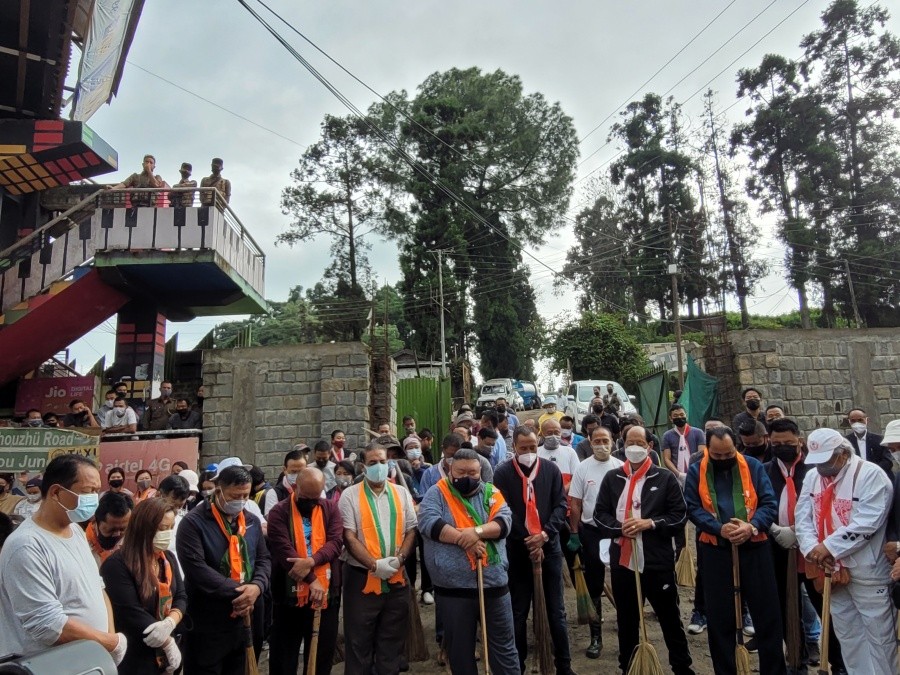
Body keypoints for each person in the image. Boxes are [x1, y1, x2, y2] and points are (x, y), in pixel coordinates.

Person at [0, 454, 127, 664]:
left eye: (97, 491)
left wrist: (110, 639)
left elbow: (98, 588)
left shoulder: (75, 531)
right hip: (51, 665)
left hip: (89, 660)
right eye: (88, 492)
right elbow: (48, 626)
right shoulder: (26, 545)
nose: (94, 499)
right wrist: (110, 643)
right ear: (56, 492)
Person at [685, 426, 785, 675]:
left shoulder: (752, 466)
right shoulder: (696, 470)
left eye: (728, 454)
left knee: (768, 615)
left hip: (755, 546)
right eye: (717, 456)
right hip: (715, 549)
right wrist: (720, 529)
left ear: (736, 448)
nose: (723, 459)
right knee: (720, 618)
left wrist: (751, 527)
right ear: (708, 450)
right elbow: (693, 508)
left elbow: (769, 503)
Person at [795, 427, 896, 675]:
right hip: (828, 568)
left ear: (842, 454)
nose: (821, 467)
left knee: (880, 636)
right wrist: (812, 550)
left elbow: (868, 522)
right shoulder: (812, 477)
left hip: (867, 569)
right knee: (848, 634)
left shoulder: (871, 475)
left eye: (826, 461)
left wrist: (828, 547)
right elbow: (803, 517)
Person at [595, 426, 695, 675]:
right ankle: (628, 666)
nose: (635, 447)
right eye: (630, 442)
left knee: (669, 617)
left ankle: (682, 667)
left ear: (650, 446)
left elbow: (679, 515)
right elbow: (600, 514)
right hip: (624, 562)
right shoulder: (613, 478)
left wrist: (650, 523)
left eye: (640, 442)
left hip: (656, 560)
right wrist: (620, 529)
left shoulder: (664, 478)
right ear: (623, 444)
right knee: (627, 620)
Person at [418, 448, 519, 674]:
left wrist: (476, 531)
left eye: (472, 473)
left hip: (494, 584)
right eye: (461, 472)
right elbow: (429, 523)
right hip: (452, 588)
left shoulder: (491, 492)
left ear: (480, 472)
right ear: (450, 470)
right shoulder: (437, 493)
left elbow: (503, 523)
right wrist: (466, 540)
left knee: (504, 648)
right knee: (460, 652)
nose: (467, 477)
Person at [764, 418, 845, 674]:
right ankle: (796, 658)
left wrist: (801, 533)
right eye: (776, 443)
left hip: (816, 550)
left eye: (787, 442)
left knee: (826, 607)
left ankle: (836, 661)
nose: (782, 447)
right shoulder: (764, 470)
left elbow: (823, 506)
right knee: (786, 606)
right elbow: (757, 504)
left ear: (799, 440)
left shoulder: (815, 470)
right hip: (779, 548)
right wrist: (773, 528)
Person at [493, 427, 574, 675]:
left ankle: (564, 665)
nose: (528, 452)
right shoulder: (503, 473)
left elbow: (561, 504)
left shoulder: (550, 470)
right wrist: (528, 538)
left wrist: (545, 535)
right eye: (522, 448)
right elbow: (502, 509)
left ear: (537, 444)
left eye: (531, 447)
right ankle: (518, 665)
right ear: (514, 447)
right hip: (518, 550)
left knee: (556, 611)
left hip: (549, 547)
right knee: (518, 611)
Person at [176, 463, 271, 675]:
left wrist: (256, 587)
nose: (241, 501)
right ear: (218, 490)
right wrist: (241, 593)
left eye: (245, 495)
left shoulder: (252, 521)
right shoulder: (193, 523)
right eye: (235, 495)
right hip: (209, 619)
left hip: (248, 616)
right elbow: (196, 569)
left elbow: (264, 559)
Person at [338, 444, 417, 673]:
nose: (379, 467)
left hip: (396, 577)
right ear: (363, 466)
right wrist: (374, 565)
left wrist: (400, 559)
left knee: (391, 641)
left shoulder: (400, 492)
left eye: (383, 461)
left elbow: (412, 529)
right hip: (361, 578)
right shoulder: (349, 495)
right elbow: (349, 537)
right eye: (373, 463)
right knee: (358, 642)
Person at [267, 467, 343, 675]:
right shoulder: (278, 513)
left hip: (326, 594)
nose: (310, 503)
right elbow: (286, 554)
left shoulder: (330, 508)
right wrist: (312, 580)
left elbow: (335, 543)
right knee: (284, 658)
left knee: (321, 656)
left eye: (315, 497)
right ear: (295, 488)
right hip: (288, 596)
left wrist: (311, 560)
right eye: (305, 497)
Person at [100, 499, 185, 675]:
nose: (167, 533)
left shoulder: (167, 558)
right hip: (136, 655)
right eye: (161, 528)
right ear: (143, 528)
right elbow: (130, 611)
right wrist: (166, 642)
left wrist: (171, 622)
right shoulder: (117, 565)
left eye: (170, 528)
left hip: (166, 654)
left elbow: (181, 596)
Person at [568, 425, 623, 658]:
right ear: (590, 442)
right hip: (591, 532)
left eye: (605, 440)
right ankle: (596, 636)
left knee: (624, 580)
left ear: (613, 441)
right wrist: (573, 532)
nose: (601, 444)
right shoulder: (583, 468)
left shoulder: (621, 467)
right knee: (594, 584)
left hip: (619, 532)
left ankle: (627, 630)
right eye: (597, 441)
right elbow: (575, 503)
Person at [419, 433, 493, 495]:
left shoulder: (478, 467)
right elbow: (424, 502)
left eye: (458, 456)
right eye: (451, 455)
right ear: (443, 450)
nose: (454, 460)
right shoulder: (429, 474)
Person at [661, 404, 706, 484]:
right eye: (675, 415)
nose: (679, 417)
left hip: (697, 474)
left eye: (682, 414)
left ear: (686, 415)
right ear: (671, 418)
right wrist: (679, 475)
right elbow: (667, 459)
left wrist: (696, 472)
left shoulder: (698, 433)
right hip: (677, 477)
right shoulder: (667, 436)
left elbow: (701, 454)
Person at [87, 491, 133, 566]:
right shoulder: (82, 543)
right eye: (111, 530)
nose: (117, 534)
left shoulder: (131, 544)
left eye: (122, 529)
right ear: (95, 521)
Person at [844, 407, 893, 474]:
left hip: (879, 476)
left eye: (860, 420)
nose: (857, 423)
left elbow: (888, 461)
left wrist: (872, 472)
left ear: (867, 420)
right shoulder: (846, 442)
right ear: (849, 422)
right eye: (853, 421)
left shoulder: (880, 440)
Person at [265, 446, 309, 515]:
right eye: (294, 472)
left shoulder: (315, 490)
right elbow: (272, 521)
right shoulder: (274, 494)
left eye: (301, 471)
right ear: (284, 470)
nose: (297, 475)